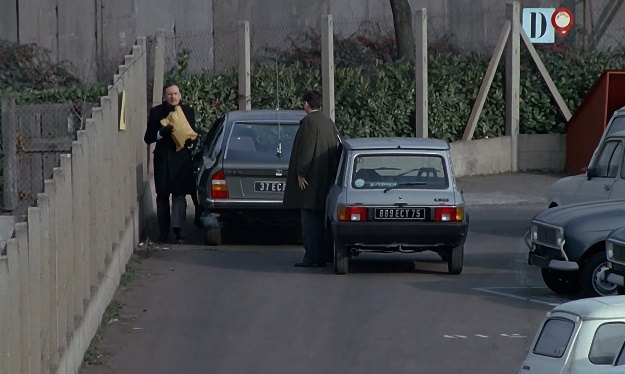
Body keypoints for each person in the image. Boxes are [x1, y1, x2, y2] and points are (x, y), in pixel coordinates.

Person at [283, 90, 340, 267]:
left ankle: (312, 257)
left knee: (309, 221)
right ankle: (326, 254)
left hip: (310, 181)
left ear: (306, 104)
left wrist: (301, 173)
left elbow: (306, 149)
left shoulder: (308, 123)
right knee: (323, 220)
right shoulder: (328, 122)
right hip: (326, 178)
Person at [144, 83, 199, 243]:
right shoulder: (156, 112)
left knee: (179, 196)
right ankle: (163, 232)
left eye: (175, 94)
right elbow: (148, 138)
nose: (173, 97)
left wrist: (191, 144)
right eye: (169, 94)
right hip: (162, 160)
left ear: (180, 95)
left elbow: (193, 134)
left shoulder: (188, 112)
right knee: (162, 197)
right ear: (164, 96)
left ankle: (178, 230)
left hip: (181, 161)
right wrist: (160, 133)